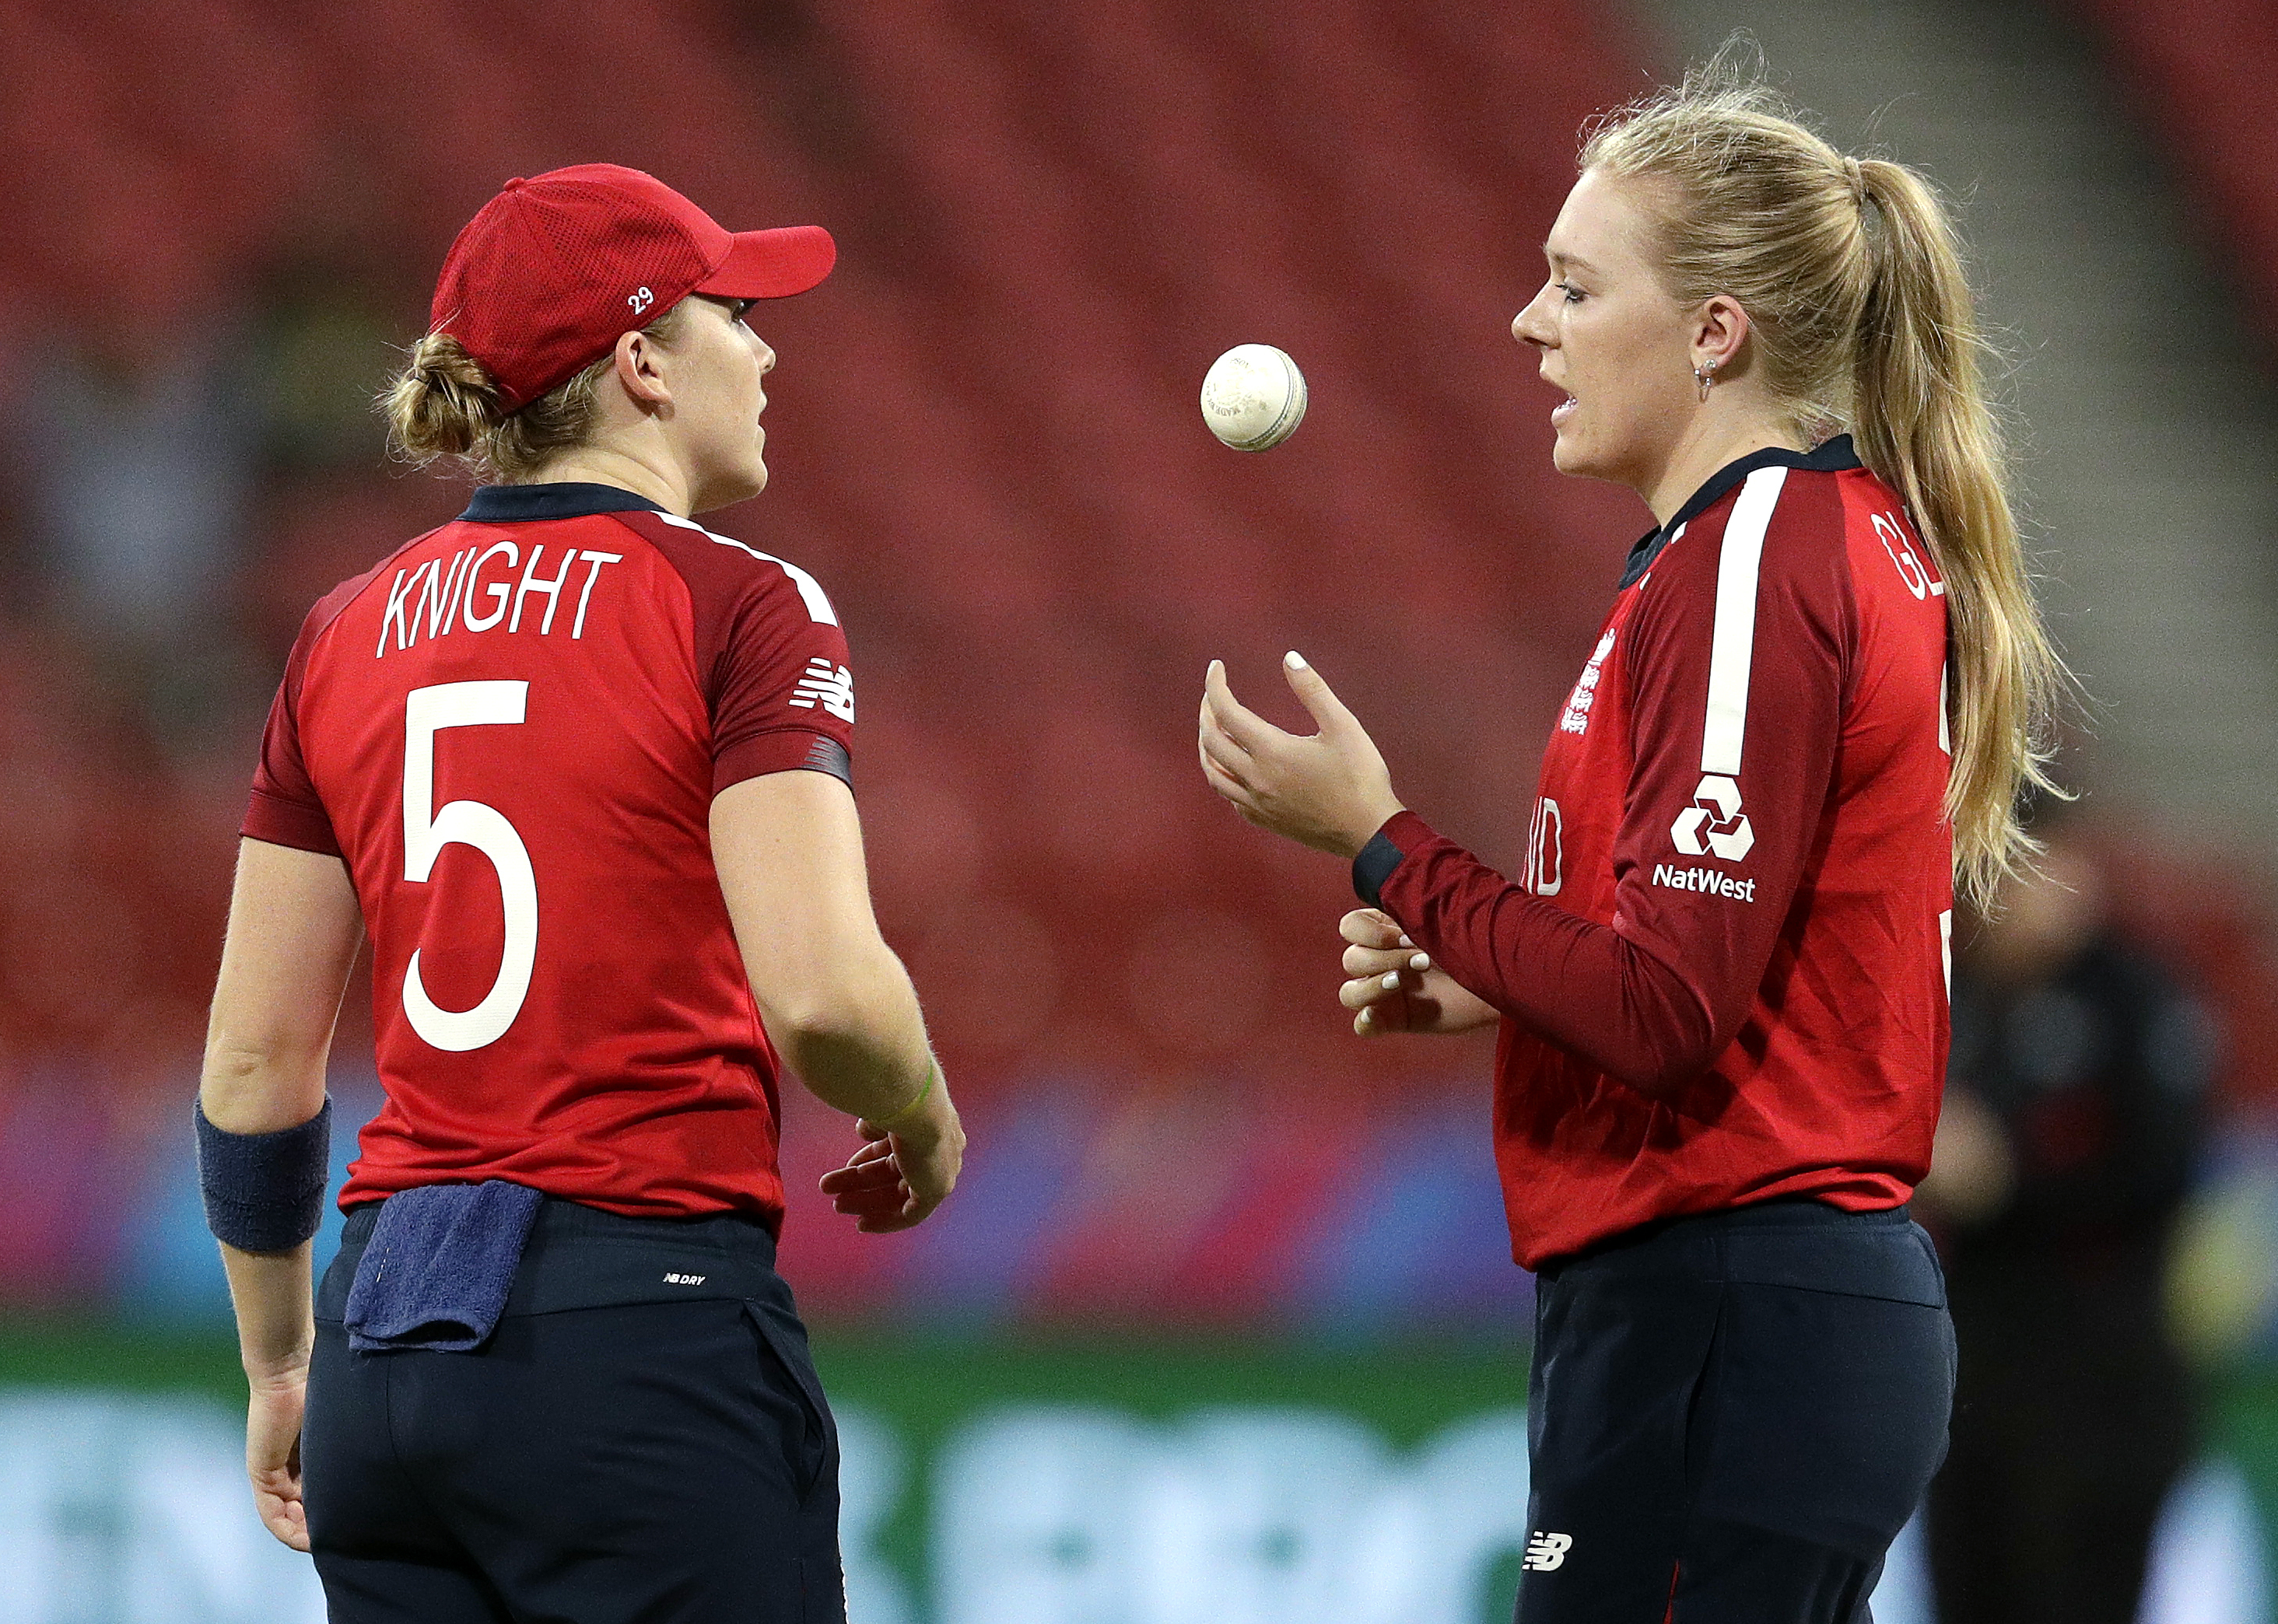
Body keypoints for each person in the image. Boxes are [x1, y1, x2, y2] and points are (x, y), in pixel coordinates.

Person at [1198, 64, 2068, 1624]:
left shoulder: (1752, 561)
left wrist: (1382, 846)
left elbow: (1670, 1011)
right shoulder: (1756, 550)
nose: (1530, 324)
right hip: (1745, 1310)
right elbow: (1729, 950)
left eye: (1575, 286)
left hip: (1730, 1305)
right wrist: (1489, 971)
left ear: (1714, 330)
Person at [195, 163, 963, 1624]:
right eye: (735, 313)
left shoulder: (340, 629)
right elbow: (826, 999)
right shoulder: (741, 601)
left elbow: (250, 1065)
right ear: (639, 364)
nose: (767, 345)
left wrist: (282, 1361)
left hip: (384, 1346)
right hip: (638, 1335)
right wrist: (921, 1113)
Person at [1918, 817, 2212, 1624]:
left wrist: (2009, 1177)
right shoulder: (1961, 998)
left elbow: (2165, 1167)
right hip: (1973, 1385)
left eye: (2031, 871)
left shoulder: (2134, 996)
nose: (2014, 896)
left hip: (2101, 1390)